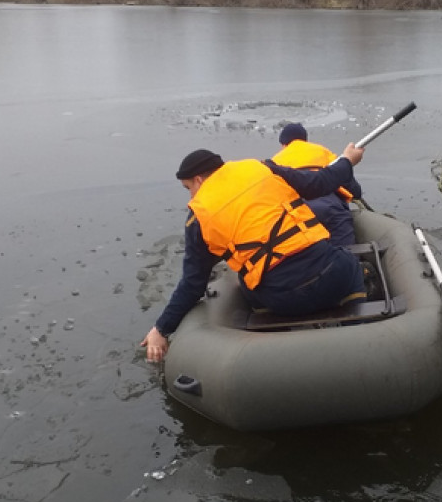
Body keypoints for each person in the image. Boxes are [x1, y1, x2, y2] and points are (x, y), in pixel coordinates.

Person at [141, 143, 367, 362]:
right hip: (331, 278)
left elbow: (192, 284)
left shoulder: (197, 218)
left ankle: (276, 350)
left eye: (188, 188)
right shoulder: (263, 168)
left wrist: (161, 328)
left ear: (198, 180)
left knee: (246, 282)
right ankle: (359, 338)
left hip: (280, 300)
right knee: (349, 263)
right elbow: (320, 183)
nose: (191, 196)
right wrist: (348, 160)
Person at [270, 122, 361, 247]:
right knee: (347, 253)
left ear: (283, 144)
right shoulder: (323, 151)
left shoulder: (275, 161)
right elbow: (351, 186)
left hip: (299, 212)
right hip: (331, 207)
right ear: (305, 139)